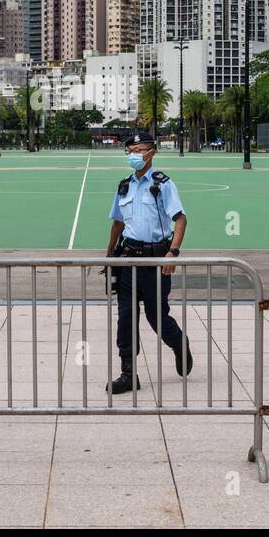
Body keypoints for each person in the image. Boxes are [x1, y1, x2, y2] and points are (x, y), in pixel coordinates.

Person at [105, 130, 192, 393]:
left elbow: (180, 219)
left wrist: (172, 252)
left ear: (152, 152)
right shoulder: (124, 186)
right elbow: (118, 222)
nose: (134, 155)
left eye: (139, 150)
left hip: (155, 261)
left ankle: (179, 344)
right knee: (125, 318)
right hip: (127, 260)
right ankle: (129, 374)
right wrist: (110, 256)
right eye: (130, 151)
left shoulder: (163, 184)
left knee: (157, 318)